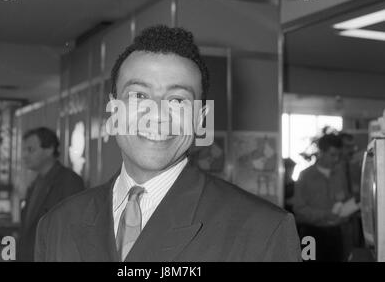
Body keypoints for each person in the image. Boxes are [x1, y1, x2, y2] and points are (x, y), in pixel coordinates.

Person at [34, 25, 301, 262]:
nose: (157, 115)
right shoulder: (57, 224)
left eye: (177, 100)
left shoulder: (262, 231)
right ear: (114, 112)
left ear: (200, 120)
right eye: (139, 95)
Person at [17, 127, 85, 262]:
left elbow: (74, 231)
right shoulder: (35, 183)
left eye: (30, 150)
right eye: (24, 150)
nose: (24, 155)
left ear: (49, 150)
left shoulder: (69, 181)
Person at [294, 132, 350, 261]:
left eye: (338, 155)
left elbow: (345, 199)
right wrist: (326, 214)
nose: (336, 159)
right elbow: (299, 209)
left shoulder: (340, 175)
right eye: (332, 155)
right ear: (321, 152)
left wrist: (347, 211)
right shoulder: (305, 176)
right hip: (311, 234)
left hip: (336, 233)